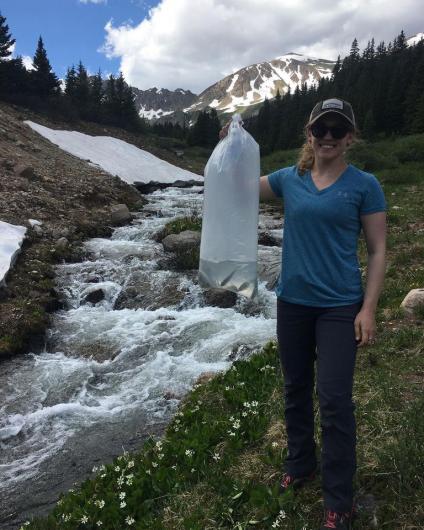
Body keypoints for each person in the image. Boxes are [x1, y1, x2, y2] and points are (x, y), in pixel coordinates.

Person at [220, 98, 387, 530]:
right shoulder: (289, 178)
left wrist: (368, 309)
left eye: (338, 129)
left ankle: (339, 499)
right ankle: (301, 462)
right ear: (309, 134)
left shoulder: (364, 184)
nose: (328, 136)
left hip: (338, 306)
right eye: (321, 129)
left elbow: (377, 249)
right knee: (295, 387)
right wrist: (232, 148)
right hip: (292, 302)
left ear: (350, 136)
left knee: (333, 401)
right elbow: (238, 188)